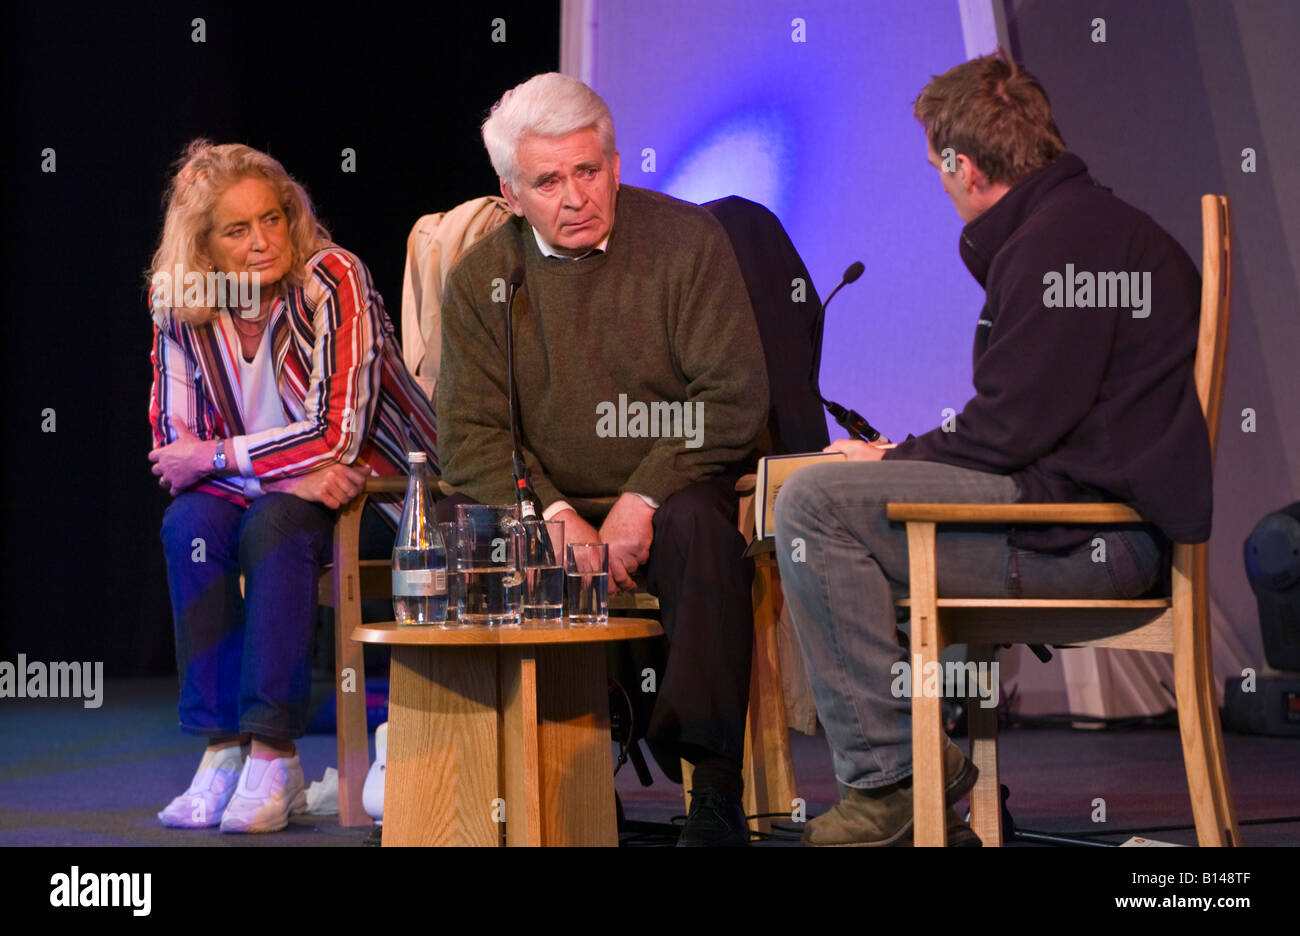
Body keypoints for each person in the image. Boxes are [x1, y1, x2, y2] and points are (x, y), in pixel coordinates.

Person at [774, 51, 1212, 846]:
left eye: (938, 170)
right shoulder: (1089, 226)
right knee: (849, 514)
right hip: (1089, 518)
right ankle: (933, 785)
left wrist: (894, 458)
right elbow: (1028, 419)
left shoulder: (1061, 245)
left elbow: (1008, 429)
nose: (941, 188)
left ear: (965, 166)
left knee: (813, 506)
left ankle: (897, 780)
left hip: (1092, 541)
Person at [437, 73, 770, 846]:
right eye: (548, 181)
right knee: (475, 534)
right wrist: (552, 514)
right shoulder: (483, 279)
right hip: (548, 500)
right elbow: (470, 434)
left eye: (589, 171)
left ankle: (713, 787)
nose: (575, 197)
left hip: (674, 484)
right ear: (512, 194)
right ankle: (560, 780)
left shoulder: (687, 242)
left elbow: (733, 395)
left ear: (616, 165)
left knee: (700, 531)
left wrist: (643, 497)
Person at [147, 140, 438, 833]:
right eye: (237, 230)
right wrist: (271, 466)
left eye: (272, 219)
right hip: (266, 490)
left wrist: (221, 456)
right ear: (204, 248)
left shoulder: (331, 279)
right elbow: (171, 445)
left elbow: (335, 437)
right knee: (187, 524)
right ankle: (222, 748)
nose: (260, 243)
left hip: (384, 490)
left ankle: (274, 752)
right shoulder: (179, 307)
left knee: (271, 522)